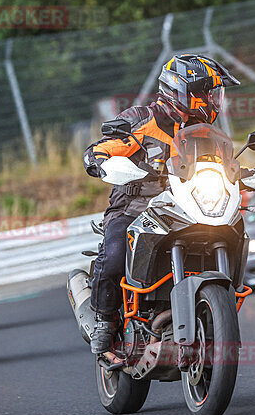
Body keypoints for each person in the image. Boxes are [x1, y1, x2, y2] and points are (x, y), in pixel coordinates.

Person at [82, 53, 240, 356]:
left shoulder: (206, 133)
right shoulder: (142, 119)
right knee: (115, 252)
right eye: (206, 92)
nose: (212, 100)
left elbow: (222, 164)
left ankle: (216, 309)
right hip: (135, 204)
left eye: (213, 93)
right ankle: (104, 319)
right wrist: (101, 162)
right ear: (182, 91)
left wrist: (244, 173)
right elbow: (100, 149)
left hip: (186, 204)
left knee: (236, 226)